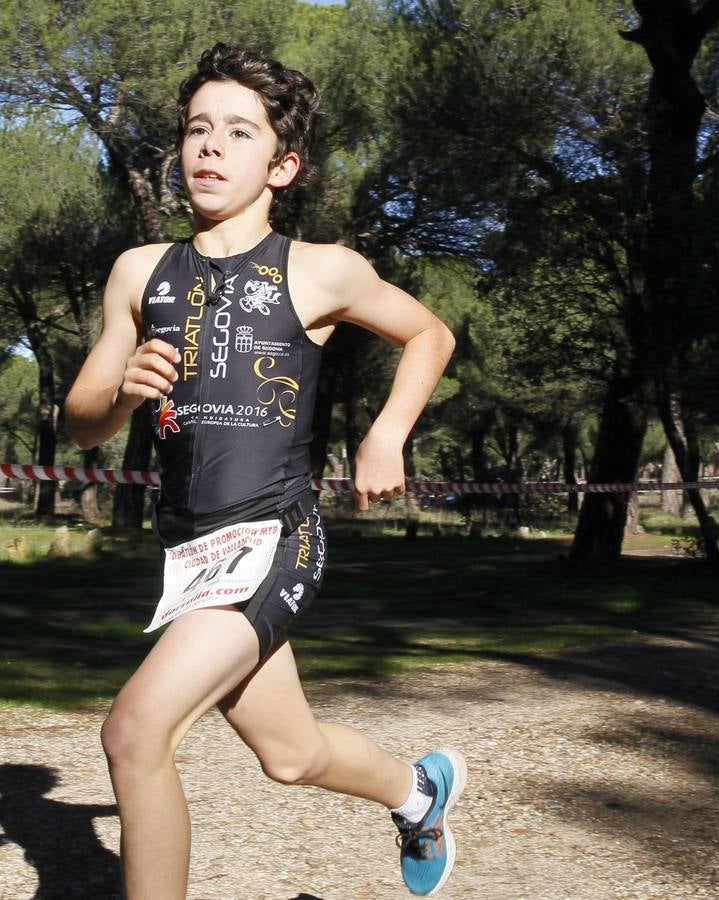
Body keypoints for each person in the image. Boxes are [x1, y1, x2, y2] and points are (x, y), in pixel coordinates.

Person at [65, 43, 463, 900]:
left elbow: (431, 334)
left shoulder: (320, 269)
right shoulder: (140, 273)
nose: (209, 146)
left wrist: (387, 435)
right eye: (197, 129)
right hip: (192, 555)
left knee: (135, 733)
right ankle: (419, 792)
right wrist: (122, 395)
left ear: (282, 165)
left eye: (238, 132)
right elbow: (80, 420)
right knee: (291, 756)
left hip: (277, 536)